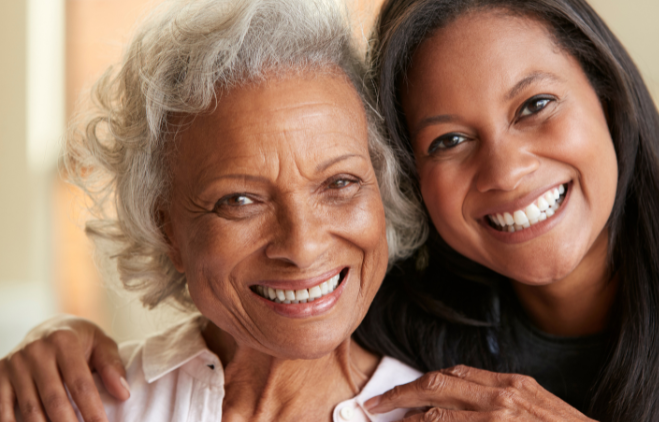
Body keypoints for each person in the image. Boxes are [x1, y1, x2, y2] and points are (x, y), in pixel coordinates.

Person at [3, 0, 659, 421]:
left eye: (535, 105)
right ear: (408, 181)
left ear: (609, 91)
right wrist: (48, 342)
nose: (506, 170)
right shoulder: (415, 321)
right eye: (448, 140)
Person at [0, 0, 433, 420]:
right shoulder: (72, 406)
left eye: (340, 183)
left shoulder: (445, 414)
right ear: (167, 230)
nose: (302, 247)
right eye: (239, 201)